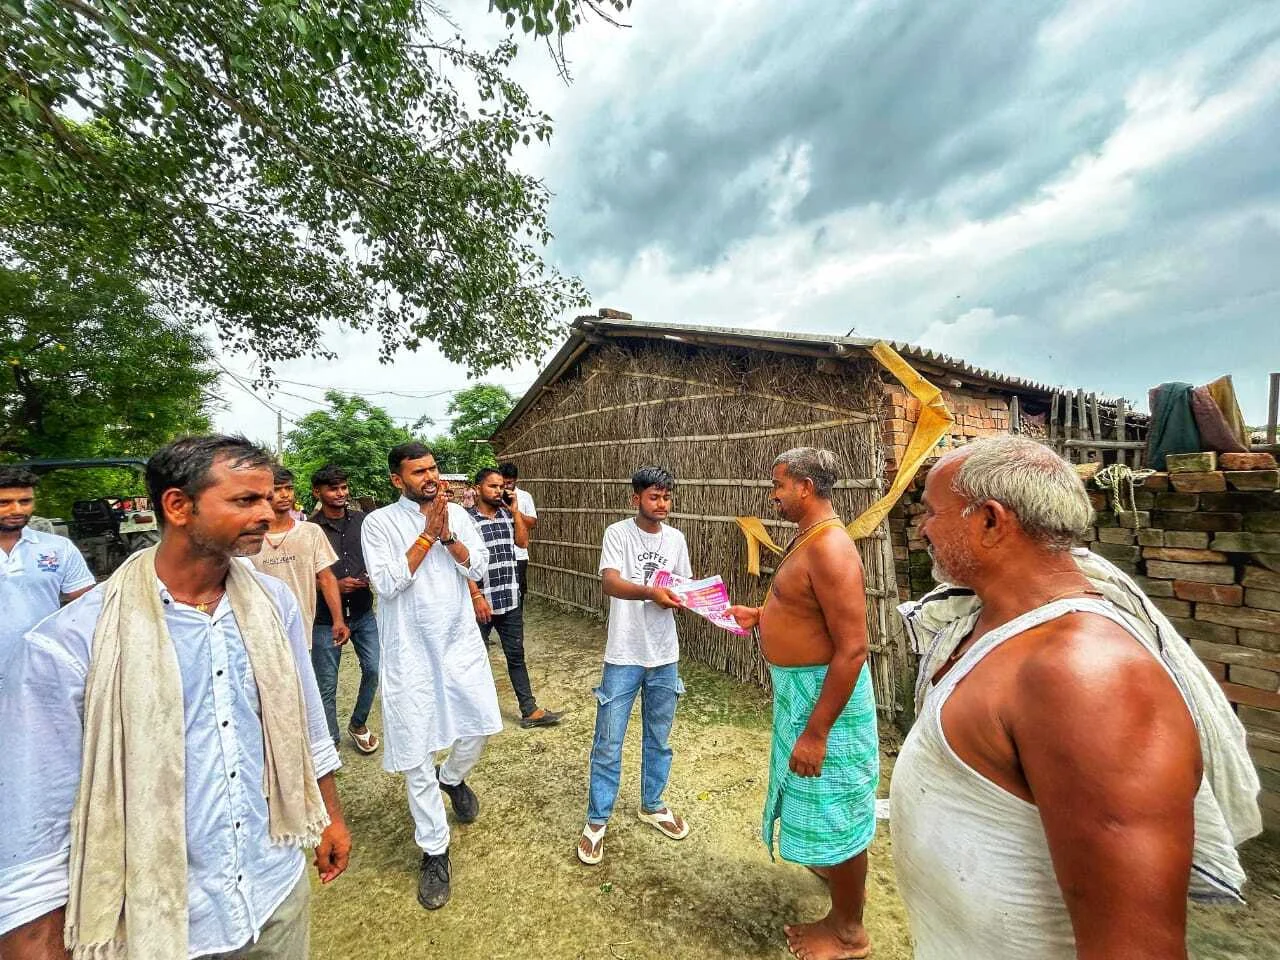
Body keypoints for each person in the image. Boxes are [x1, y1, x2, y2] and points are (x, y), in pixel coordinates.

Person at [889, 435, 1240, 959]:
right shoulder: (987, 623)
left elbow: (1136, 946)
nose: (923, 528)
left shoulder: (1084, 675)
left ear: (990, 520)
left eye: (932, 512)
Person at [0, 435, 349, 960]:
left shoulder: (273, 602)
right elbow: (38, 816)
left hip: (272, 890)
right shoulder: (72, 642)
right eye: (245, 500)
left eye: (268, 497)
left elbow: (305, 721)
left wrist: (329, 815)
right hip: (160, 919)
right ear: (178, 506)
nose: (268, 511)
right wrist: (37, 939)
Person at [727, 448, 879, 960]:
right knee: (819, 801)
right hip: (804, 695)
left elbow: (853, 647)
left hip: (825, 704)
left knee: (839, 808)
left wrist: (816, 733)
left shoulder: (831, 548)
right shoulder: (809, 538)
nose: (774, 495)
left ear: (806, 488)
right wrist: (762, 617)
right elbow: (802, 607)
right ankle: (832, 868)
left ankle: (847, 932)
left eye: (779, 485)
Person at [360, 443, 502, 910]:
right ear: (397, 480)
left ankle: (454, 776)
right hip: (409, 654)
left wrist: (446, 536)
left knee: (479, 725)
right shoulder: (379, 523)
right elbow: (386, 582)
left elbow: (478, 565)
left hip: (458, 642)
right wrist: (425, 536)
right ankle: (434, 851)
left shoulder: (458, 516)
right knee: (416, 752)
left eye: (434, 468)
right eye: (418, 471)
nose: (430, 476)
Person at [576, 466, 692, 867]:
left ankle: (653, 803)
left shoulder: (676, 539)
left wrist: (692, 598)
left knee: (659, 738)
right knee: (608, 741)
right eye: (654, 497)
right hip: (624, 654)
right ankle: (597, 819)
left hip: (665, 654)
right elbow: (609, 582)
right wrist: (650, 592)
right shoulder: (618, 534)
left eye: (666, 497)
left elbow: (682, 585)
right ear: (636, 499)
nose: (661, 504)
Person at [466, 467, 562, 729]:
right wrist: (475, 595)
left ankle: (529, 710)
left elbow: (522, 543)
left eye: (501, 487)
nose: (499, 491)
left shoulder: (508, 516)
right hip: (480, 602)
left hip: (509, 597)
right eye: (492, 487)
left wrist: (515, 511)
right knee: (475, 657)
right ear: (477, 489)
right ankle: (474, 715)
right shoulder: (466, 520)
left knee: (516, 655)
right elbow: (460, 563)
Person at [0, 466, 96, 690]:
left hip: (42, 673)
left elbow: (87, 607)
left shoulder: (57, 548)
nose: (17, 509)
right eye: (4, 503)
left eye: (25, 501)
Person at [308, 464, 380, 754]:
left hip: (363, 612)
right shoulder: (309, 529)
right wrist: (332, 586)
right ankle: (331, 744)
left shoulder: (363, 521)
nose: (341, 493)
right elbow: (300, 573)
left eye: (343, 487)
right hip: (325, 618)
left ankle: (358, 723)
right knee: (326, 685)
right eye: (333, 488)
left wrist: (369, 576)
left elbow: (379, 554)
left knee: (375, 669)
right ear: (318, 492)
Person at [246, 465, 349, 651]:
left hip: (301, 627)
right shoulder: (248, 537)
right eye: (277, 490)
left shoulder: (310, 532)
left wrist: (338, 620)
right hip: (259, 630)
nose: (285, 494)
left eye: (289, 488)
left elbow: (327, 578)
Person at [499, 462, 537, 603]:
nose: (506, 486)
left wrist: (515, 511)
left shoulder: (525, 496)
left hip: (519, 554)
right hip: (499, 554)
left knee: (519, 594)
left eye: (510, 482)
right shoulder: (494, 497)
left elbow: (532, 523)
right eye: (503, 483)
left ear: (516, 480)